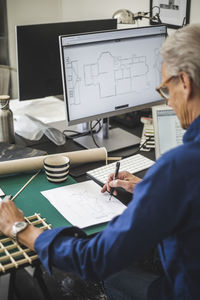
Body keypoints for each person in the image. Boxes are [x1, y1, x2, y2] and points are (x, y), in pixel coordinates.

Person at [1, 23, 200, 299]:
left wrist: (21, 229)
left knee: (97, 274)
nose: (168, 103)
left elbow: (95, 259)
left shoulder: (179, 167)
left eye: (167, 90)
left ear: (186, 83)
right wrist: (147, 190)